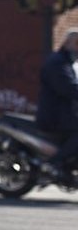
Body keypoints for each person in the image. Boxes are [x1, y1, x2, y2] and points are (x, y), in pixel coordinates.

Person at [36, 29, 78, 182]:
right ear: (67, 43)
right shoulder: (57, 62)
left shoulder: (67, 62)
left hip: (64, 114)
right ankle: (55, 164)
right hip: (54, 116)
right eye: (77, 43)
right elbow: (68, 88)